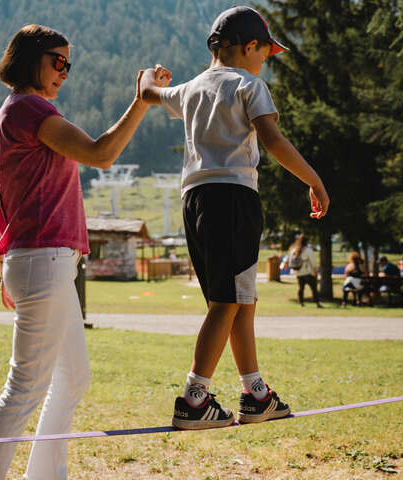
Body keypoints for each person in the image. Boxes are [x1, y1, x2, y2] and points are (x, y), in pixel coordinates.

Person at [0, 25, 170, 480]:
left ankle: (44, 475)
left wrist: (6, 265)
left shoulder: (7, 115)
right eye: (58, 62)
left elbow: (4, 198)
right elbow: (101, 154)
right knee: (23, 388)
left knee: (72, 378)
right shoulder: (31, 110)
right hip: (43, 261)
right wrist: (143, 99)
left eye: (68, 64)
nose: (65, 72)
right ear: (30, 59)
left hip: (39, 261)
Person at [140, 6, 329, 429]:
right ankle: (194, 398)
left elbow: (149, 93)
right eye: (265, 52)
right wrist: (313, 180)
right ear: (248, 47)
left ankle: (255, 393)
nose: (265, 61)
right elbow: (272, 138)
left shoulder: (190, 90)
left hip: (195, 199)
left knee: (239, 300)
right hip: (233, 198)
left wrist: (149, 77)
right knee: (227, 302)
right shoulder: (249, 84)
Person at [285, 234, 322, 308]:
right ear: (307, 241)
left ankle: (301, 302)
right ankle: (317, 302)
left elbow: (288, 258)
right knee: (314, 288)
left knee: (301, 288)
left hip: (298, 272)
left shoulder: (294, 250)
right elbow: (313, 262)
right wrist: (315, 271)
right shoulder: (308, 250)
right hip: (308, 272)